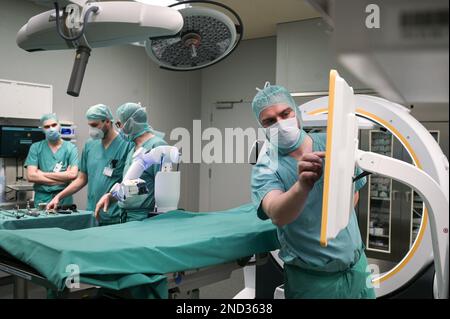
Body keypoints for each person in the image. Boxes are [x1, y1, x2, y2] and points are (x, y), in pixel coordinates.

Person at [250, 82, 375, 299]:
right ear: (262, 127)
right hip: (313, 282)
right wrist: (302, 186)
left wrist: (330, 218)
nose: (280, 123)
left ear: (296, 113)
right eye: (270, 121)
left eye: (284, 113)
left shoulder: (332, 145)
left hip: (357, 269)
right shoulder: (266, 167)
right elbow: (277, 213)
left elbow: (353, 193)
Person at [47, 104, 132, 225]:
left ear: (107, 121)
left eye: (94, 125)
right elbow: (82, 178)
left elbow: (129, 183)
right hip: (92, 213)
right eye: (89, 125)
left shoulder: (126, 145)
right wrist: (59, 196)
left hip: (114, 215)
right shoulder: (90, 145)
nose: (91, 130)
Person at [95, 102, 168, 222]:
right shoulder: (133, 148)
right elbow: (128, 184)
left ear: (130, 123)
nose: (118, 128)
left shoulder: (157, 146)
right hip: (125, 215)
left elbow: (164, 193)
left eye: (119, 123)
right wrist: (111, 196)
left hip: (144, 218)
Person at [25, 113, 78, 207]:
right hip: (42, 198)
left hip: (64, 198)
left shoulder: (71, 148)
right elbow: (31, 176)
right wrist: (63, 179)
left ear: (59, 125)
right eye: (47, 126)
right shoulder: (36, 147)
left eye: (54, 125)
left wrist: (42, 174)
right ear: (42, 129)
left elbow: (73, 174)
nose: (51, 129)